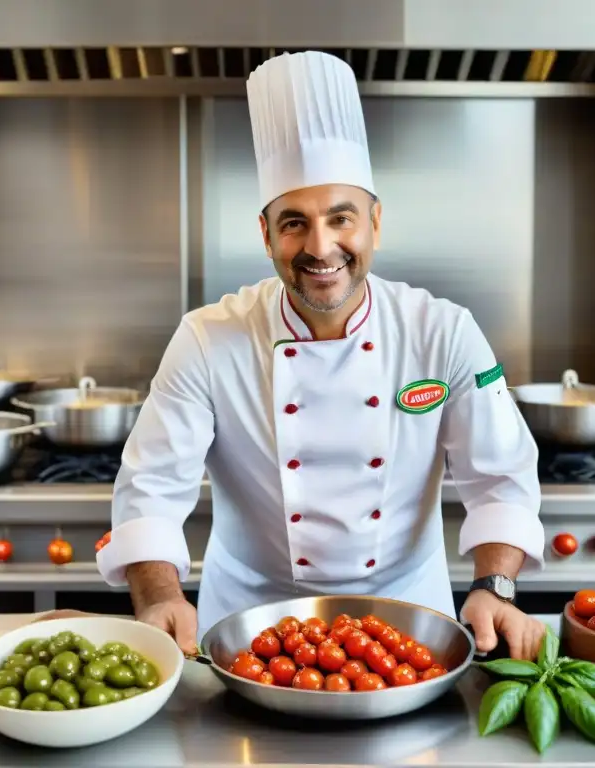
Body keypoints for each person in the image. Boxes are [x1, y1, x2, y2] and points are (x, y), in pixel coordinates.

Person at [97, 50, 547, 661]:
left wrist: (496, 586)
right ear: (266, 236)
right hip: (249, 627)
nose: (320, 246)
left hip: (411, 623)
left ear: (375, 224)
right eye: (294, 223)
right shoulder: (207, 339)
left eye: (341, 218)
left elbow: (500, 478)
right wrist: (157, 597)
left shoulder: (444, 332)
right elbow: (150, 487)